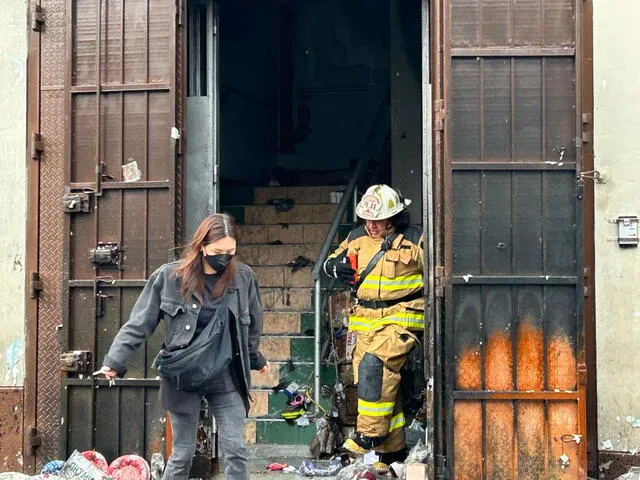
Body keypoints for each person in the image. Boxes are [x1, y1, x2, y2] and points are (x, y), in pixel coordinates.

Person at [95, 214, 269, 480]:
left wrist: (255, 357)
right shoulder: (169, 277)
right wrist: (115, 360)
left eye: (230, 252)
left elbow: (252, 323)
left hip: (226, 374)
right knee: (182, 453)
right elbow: (140, 322)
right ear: (202, 247)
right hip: (182, 373)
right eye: (217, 252)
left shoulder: (243, 277)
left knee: (235, 450)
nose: (224, 258)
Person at [323, 184, 424, 474]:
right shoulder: (356, 237)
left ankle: (367, 434)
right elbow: (332, 261)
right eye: (367, 220)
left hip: (403, 316)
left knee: (374, 367)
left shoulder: (416, 239)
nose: (372, 226)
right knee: (376, 386)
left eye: (378, 220)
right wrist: (335, 268)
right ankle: (391, 453)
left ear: (394, 217)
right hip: (364, 319)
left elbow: (438, 271)